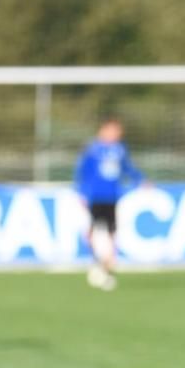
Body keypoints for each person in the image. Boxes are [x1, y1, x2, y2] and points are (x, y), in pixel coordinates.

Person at [74, 116, 144, 291]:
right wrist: (82, 193)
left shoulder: (120, 149)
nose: (117, 134)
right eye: (114, 130)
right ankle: (96, 260)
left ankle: (106, 264)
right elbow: (83, 171)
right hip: (95, 197)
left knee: (112, 231)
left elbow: (127, 168)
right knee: (92, 231)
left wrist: (140, 180)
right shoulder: (93, 149)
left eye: (118, 131)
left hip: (112, 197)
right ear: (103, 130)